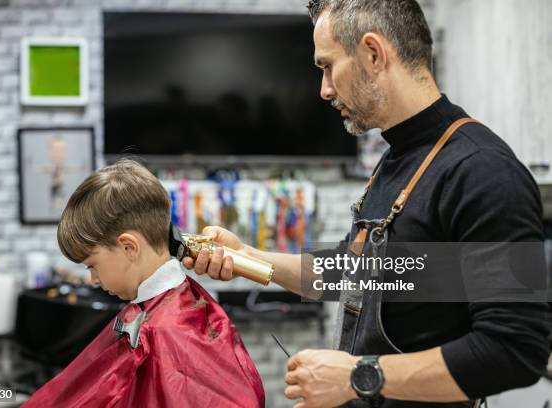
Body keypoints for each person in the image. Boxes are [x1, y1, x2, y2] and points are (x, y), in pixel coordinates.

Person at [183, 0, 551, 407]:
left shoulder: (481, 170)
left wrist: (358, 375)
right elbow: (354, 273)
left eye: (327, 66)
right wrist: (247, 259)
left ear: (373, 54)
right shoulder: (397, 159)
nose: (323, 89)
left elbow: (514, 350)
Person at [23, 159, 264, 408]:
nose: (93, 280)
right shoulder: (161, 311)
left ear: (129, 247)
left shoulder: (170, 330)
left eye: (92, 265)